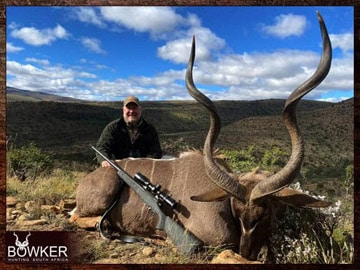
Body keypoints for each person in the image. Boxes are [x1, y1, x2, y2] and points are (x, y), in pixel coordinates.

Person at [96, 95, 162, 167]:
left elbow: (156, 152)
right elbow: (102, 147)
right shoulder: (113, 127)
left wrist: (144, 164)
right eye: (128, 108)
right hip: (118, 168)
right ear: (123, 109)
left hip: (144, 168)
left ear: (140, 110)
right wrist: (104, 160)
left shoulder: (150, 129)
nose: (131, 111)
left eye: (134, 108)